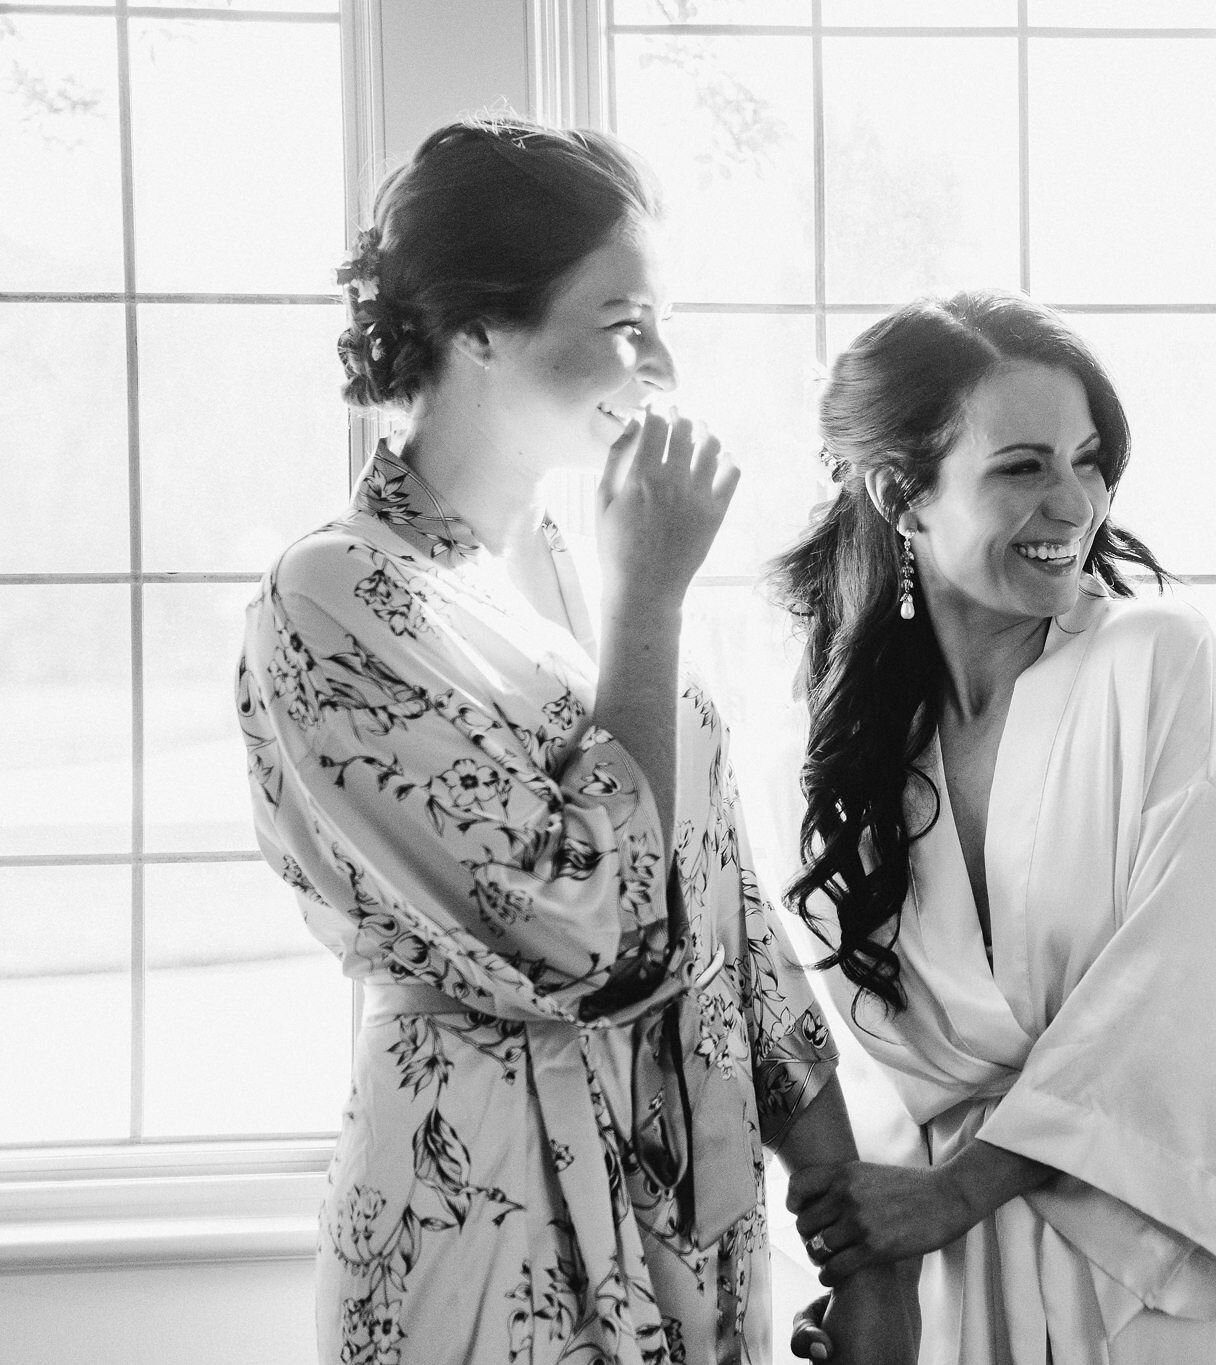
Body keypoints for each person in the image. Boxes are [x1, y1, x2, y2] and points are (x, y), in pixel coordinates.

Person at [236, 116, 910, 1365]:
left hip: (684, 1216)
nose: (661, 363)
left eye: (661, 320)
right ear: (480, 328)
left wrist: (861, 1253)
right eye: (623, 321)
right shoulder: (335, 594)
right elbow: (593, 936)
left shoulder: (585, 579)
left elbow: (728, 922)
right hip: (484, 1203)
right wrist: (651, 594)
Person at [767, 290, 1216, 1364]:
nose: (1075, 503)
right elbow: (832, 1044)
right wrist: (869, 1273)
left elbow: (1197, 980)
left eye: (1089, 461)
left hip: (1160, 1265)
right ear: (900, 495)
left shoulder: (1156, 662)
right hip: (949, 1275)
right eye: (1023, 467)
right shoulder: (839, 740)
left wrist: (960, 1190)